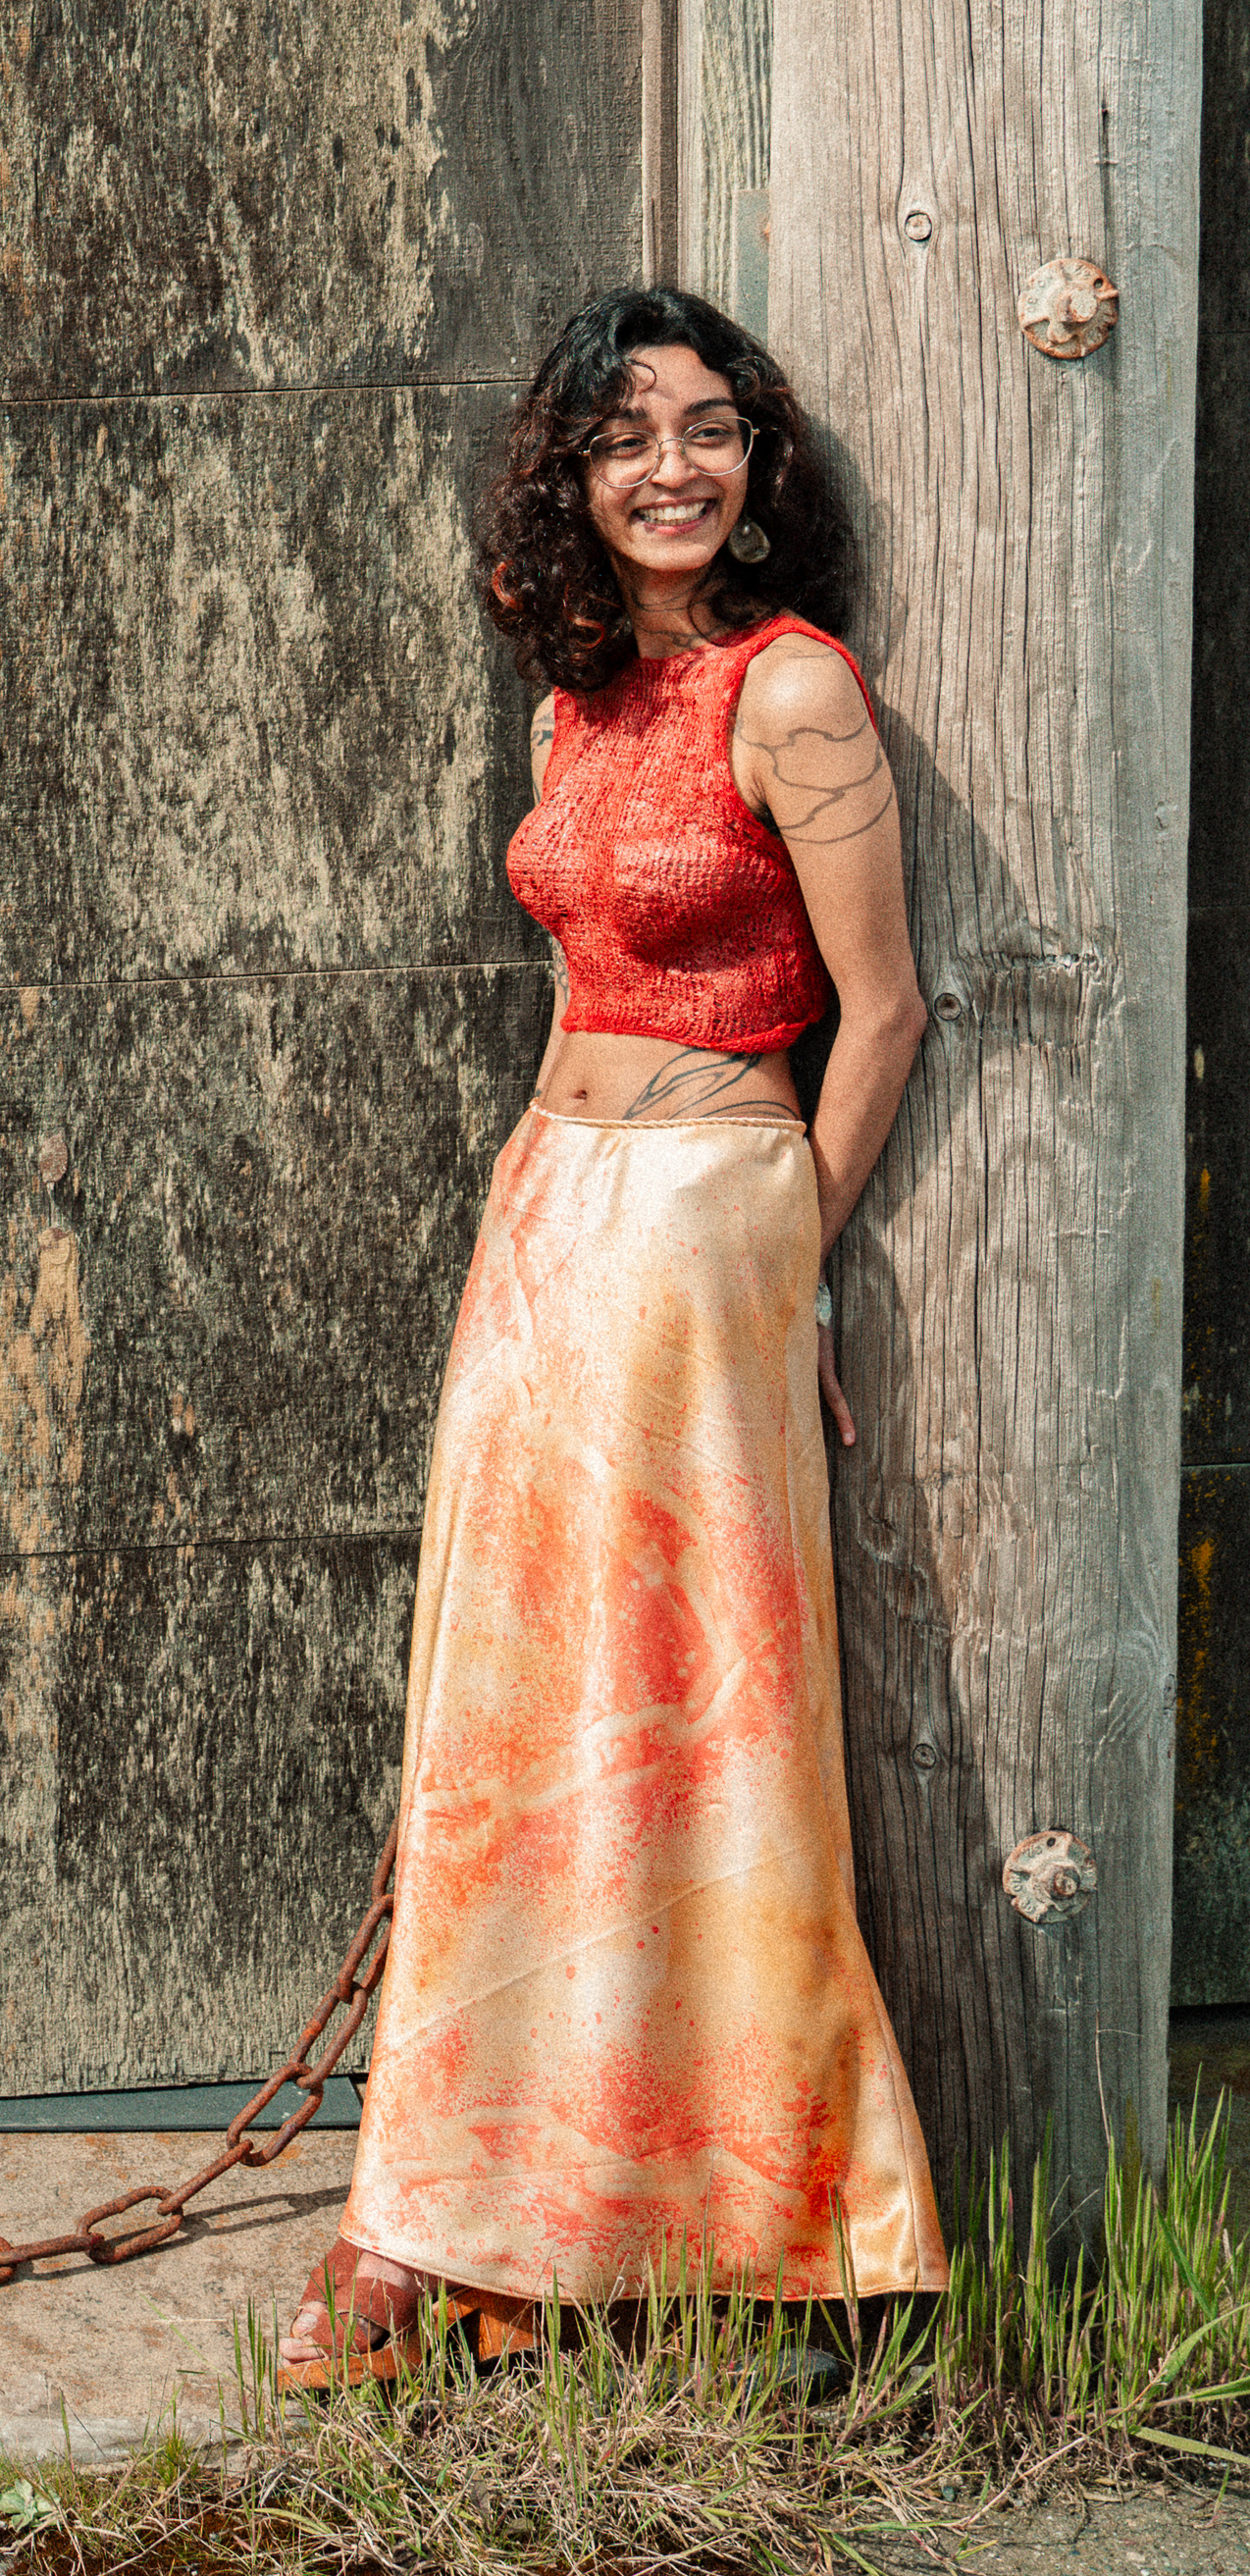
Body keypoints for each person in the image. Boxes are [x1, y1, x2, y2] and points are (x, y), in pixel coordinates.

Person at [275, 287, 947, 2389]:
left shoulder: (790, 688)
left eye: (708, 428)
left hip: (702, 1227)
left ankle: (776, 2221)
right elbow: (572, 976)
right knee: (504, 1733)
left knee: (700, 1724)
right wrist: (531, 1215)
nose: (672, 466)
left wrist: (789, 1268)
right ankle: (464, 2203)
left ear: (755, 464)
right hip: (550, 1217)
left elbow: (884, 1008)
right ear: (566, 479)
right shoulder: (569, 701)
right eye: (622, 436)